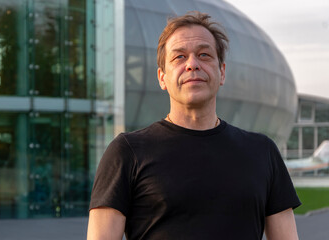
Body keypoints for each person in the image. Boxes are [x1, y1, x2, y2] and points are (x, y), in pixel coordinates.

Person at [87, 11, 301, 240]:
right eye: (179, 57)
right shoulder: (127, 152)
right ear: (162, 78)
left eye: (204, 54)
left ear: (222, 72)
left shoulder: (262, 152)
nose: (192, 64)